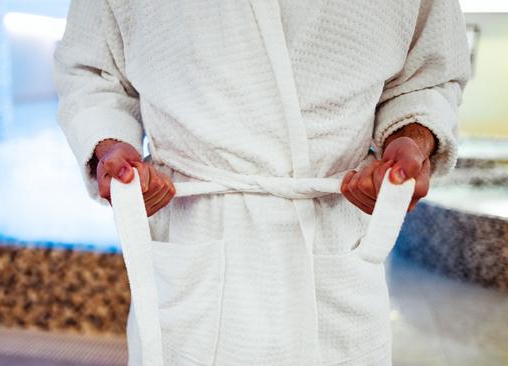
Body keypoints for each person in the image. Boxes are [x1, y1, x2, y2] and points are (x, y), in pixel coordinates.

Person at [53, 1, 470, 365]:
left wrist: (411, 139)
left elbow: (429, 76)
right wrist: (111, 145)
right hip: (194, 227)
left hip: (332, 232)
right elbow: (93, 72)